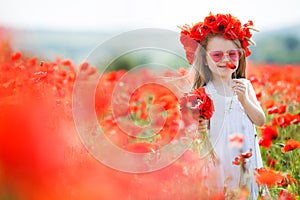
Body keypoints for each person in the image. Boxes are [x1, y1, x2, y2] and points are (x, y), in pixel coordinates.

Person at [179, 13, 266, 199]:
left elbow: (260, 120)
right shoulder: (204, 93)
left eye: (232, 54)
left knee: (246, 189)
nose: (225, 60)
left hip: (246, 154)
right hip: (220, 157)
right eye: (217, 55)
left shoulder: (245, 86)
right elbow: (199, 136)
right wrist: (200, 127)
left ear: (239, 57)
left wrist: (244, 99)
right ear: (204, 59)